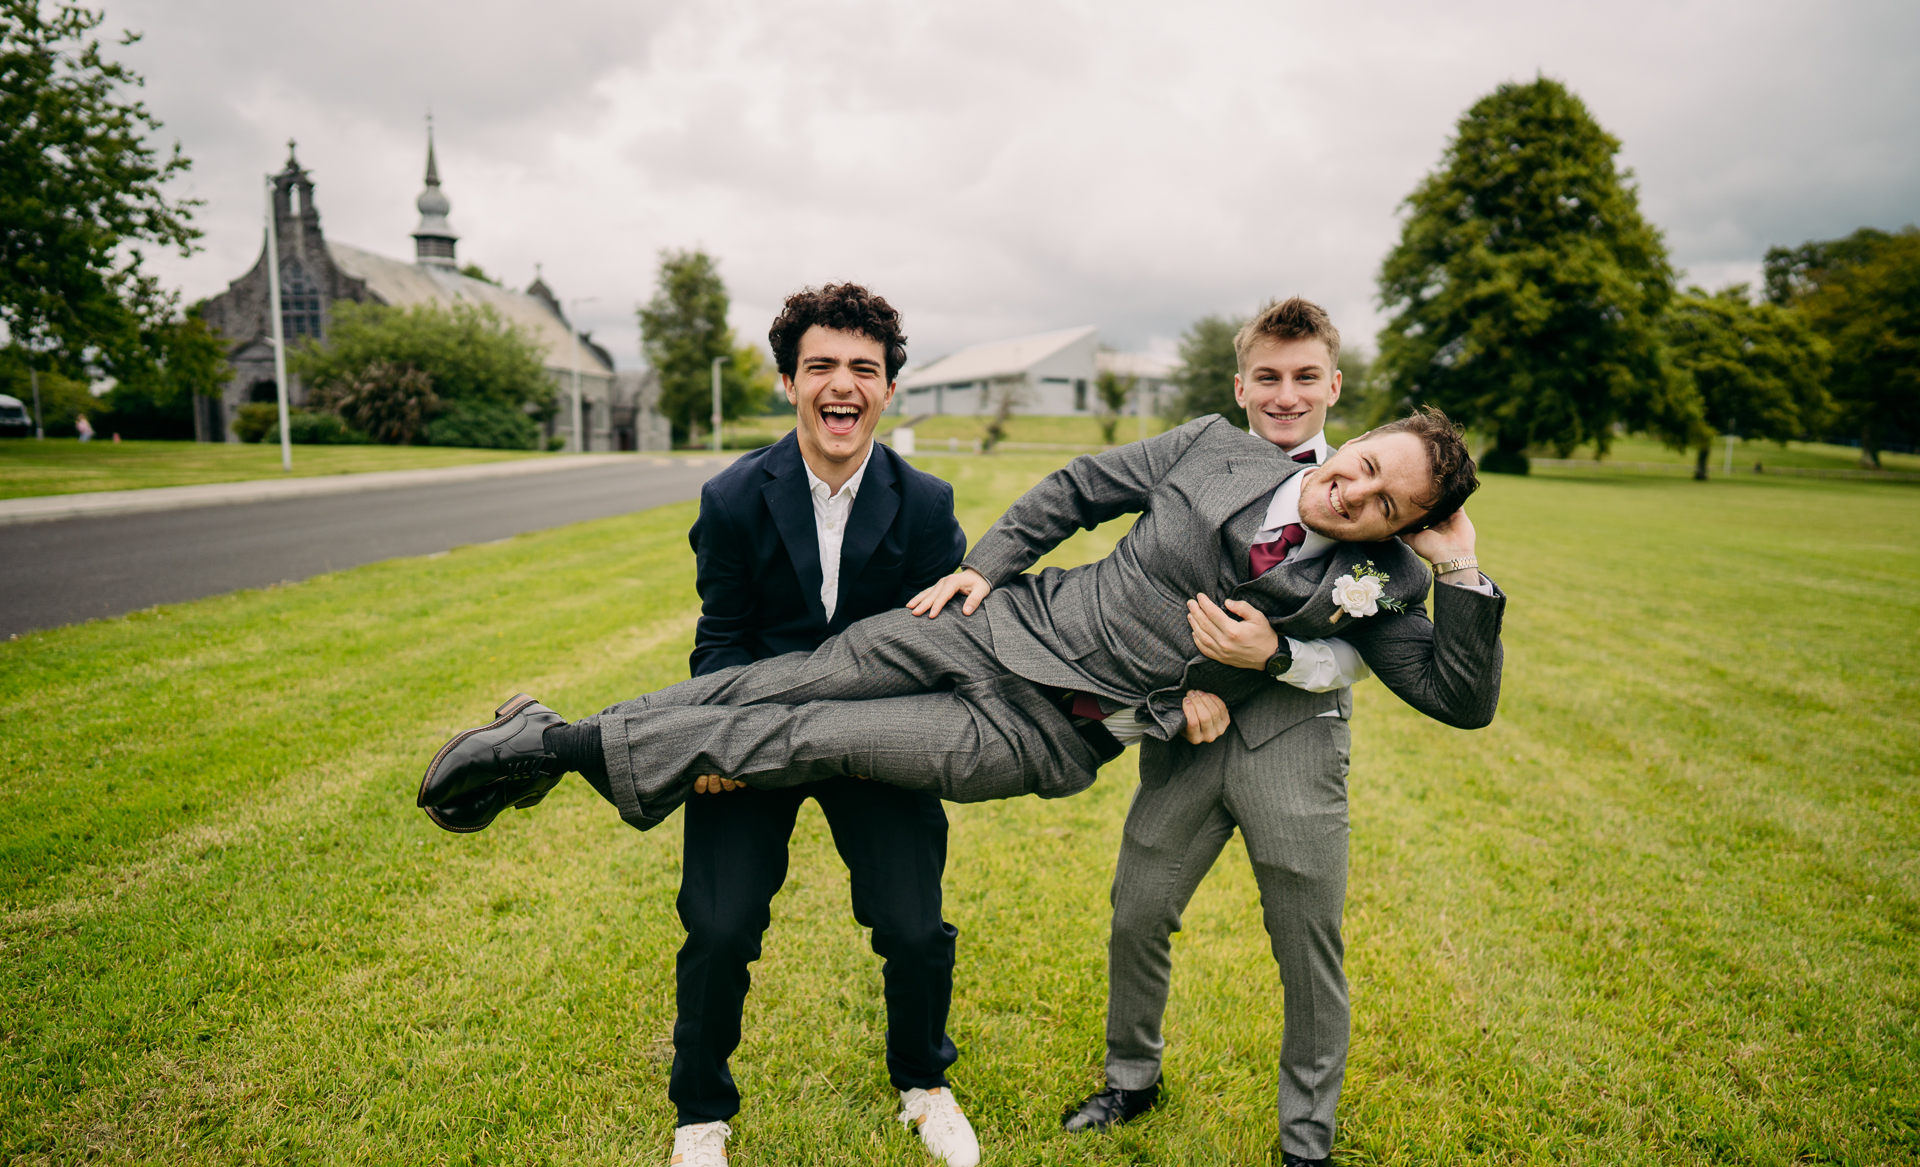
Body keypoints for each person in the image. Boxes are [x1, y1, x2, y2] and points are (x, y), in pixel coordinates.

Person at [420, 407, 1502, 842]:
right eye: (1362, 465)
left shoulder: (1379, 589)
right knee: (791, 678)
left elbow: (1459, 698)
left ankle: (551, 744)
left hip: (1052, 731)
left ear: (1404, 525)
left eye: (1389, 505)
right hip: (995, 626)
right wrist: (984, 567)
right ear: (1348, 440)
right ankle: (548, 749)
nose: (1356, 495)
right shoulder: (1217, 444)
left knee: (817, 738)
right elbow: (1079, 486)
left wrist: (1456, 564)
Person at [1059, 298, 1427, 1167]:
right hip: (1187, 736)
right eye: (1268, 375)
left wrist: (1270, 660)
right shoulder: (1208, 457)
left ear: (1334, 386)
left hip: (1295, 744)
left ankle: (1308, 1146)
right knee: (1137, 911)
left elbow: (1363, 651)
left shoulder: (1379, 501)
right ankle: (1130, 1081)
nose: (1287, 394)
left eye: (1307, 377)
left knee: (1307, 949)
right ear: (1241, 384)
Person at [657, 284, 978, 1167]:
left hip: (875, 740)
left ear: (887, 389)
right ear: (790, 382)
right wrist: (717, 739)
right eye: (822, 367)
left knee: (914, 928)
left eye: (863, 370)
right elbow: (721, 638)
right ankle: (700, 1117)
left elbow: (933, 646)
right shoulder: (731, 498)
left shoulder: (925, 504)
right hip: (752, 737)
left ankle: (923, 1087)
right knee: (718, 928)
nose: (842, 386)